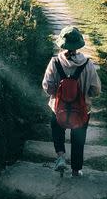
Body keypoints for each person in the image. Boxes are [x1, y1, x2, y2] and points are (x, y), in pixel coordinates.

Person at [42, 26, 101, 177]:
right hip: (81, 111)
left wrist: (59, 93)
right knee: (78, 139)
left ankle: (61, 157)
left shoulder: (55, 62)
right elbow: (95, 90)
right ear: (79, 45)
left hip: (58, 108)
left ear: (62, 44)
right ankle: (76, 170)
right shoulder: (87, 64)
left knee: (57, 131)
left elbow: (47, 87)